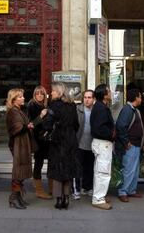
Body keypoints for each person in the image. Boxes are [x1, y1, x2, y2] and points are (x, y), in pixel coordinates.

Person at [43, 82, 79, 210]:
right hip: (70, 140)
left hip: (58, 140)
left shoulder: (54, 106)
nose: (50, 93)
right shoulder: (72, 105)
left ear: (58, 92)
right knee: (68, 169)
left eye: (52, 91)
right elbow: (76, 124)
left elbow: (47, 124)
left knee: (57, 171)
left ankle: (59, 200)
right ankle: (67, 197)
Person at [6, 88, 35, 209]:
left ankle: (17, 197)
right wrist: (27, 126)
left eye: (22, 96)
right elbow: (16, 128)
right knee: (18, 170)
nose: (23, 98)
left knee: (21, 169)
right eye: (20, 97)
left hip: (22, 143)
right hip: (18, 144)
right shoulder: (13, 111)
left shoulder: (19, 110)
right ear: (13, 100)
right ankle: (13, 197)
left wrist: (28, 126)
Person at [115, 88, 144, 202]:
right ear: (136, 98)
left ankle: (131, 190)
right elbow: (121, 126)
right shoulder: (127, 110)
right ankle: (123, 191)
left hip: (136, 144)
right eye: (140, 96)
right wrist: (126, 142)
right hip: (130, 145)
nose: (141, 99)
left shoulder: (135, 110)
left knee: (134, 169)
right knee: (128, 169)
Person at [90, 84, 115, 210]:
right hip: (103, 144)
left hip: (102, 144)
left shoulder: (100, 106)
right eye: (109, 91)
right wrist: (112, 133)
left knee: (101, 171)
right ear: (104, 95)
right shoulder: (101, 108)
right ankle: (98, 199)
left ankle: (100, 195)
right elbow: (99, 128)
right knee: (102, 172)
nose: (111, 93)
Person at [27, 86, 51, 199]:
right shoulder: (32, 105)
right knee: (38, 163)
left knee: (50, 162)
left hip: (47, 139)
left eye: (42, 93)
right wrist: (41, 115)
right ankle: (39, 190)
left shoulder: (46, 105)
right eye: (37, 94)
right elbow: (31, 124)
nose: (40, 96)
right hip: (38, 139)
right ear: (34, 95)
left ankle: (51, 188)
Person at [72, 89, 95, 200]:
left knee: (89, 167)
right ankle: (76, 189)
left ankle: (87, 187)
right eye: (85, 97)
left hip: (92, 144)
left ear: (93, 99)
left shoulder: (96, 110)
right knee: (77, 168)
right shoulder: (77, 109)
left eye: (89, 97)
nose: (86, 100)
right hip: (79, 143)